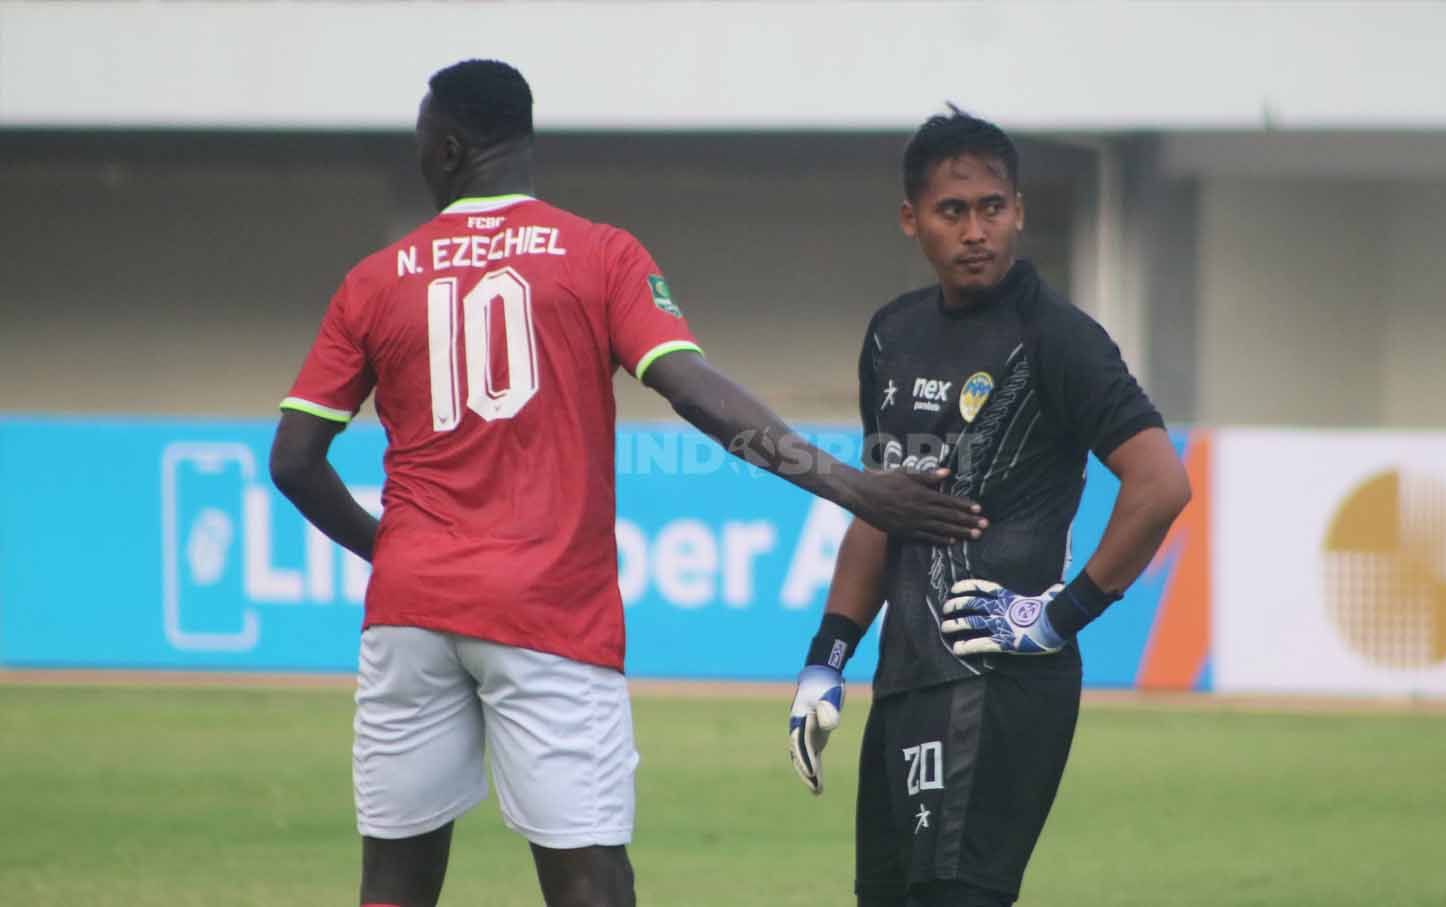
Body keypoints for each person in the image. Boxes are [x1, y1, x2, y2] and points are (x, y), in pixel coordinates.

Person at [268, 60, 987, 907]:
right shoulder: (597, 253)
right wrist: (851, 487)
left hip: (410, 610)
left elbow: (293, 459)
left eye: (424, 143)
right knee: (589, 879)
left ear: (451, 149)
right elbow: (691, 389)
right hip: (548, 611)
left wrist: (393, 548)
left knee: (393, 878)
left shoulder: (375, 278)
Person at [786, 108, 1191, 906]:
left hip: (1000, 684)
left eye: (993, 207)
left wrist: (1057, 616)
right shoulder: (891, 335)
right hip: (903, 679)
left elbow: (1160, 484)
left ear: (1019, 210)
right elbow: (878, 508)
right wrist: (825, 661)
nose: (977, 230)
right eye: (953, 210)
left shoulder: (1057, 337)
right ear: (912, 219)